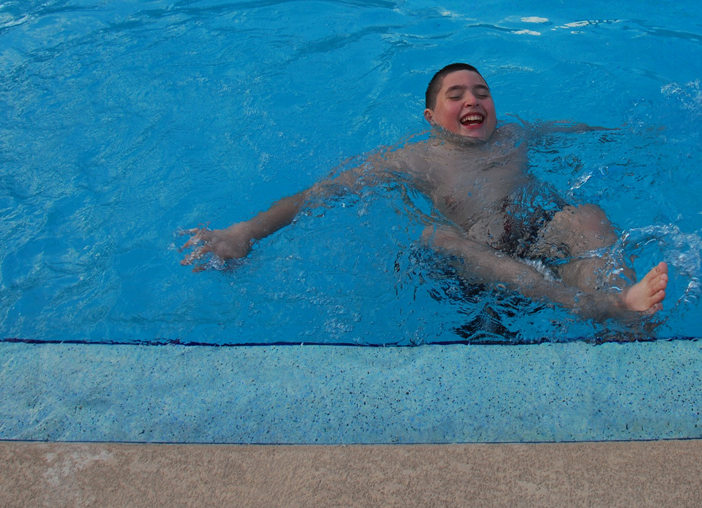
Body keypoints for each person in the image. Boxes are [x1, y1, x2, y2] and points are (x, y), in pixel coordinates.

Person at [180, 63, 668, 322]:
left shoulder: (515, 135)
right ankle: (599, 309)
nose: (472, 99)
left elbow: (573, 129)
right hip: (476, 262)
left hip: (535, 238)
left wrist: (632, 133)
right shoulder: (411, 159)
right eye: (455, 96)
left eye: (481, 92)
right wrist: (245, 231)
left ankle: (628, 310)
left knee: (585, 215)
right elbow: (319, 194)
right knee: (437, 239)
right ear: (432, 119)